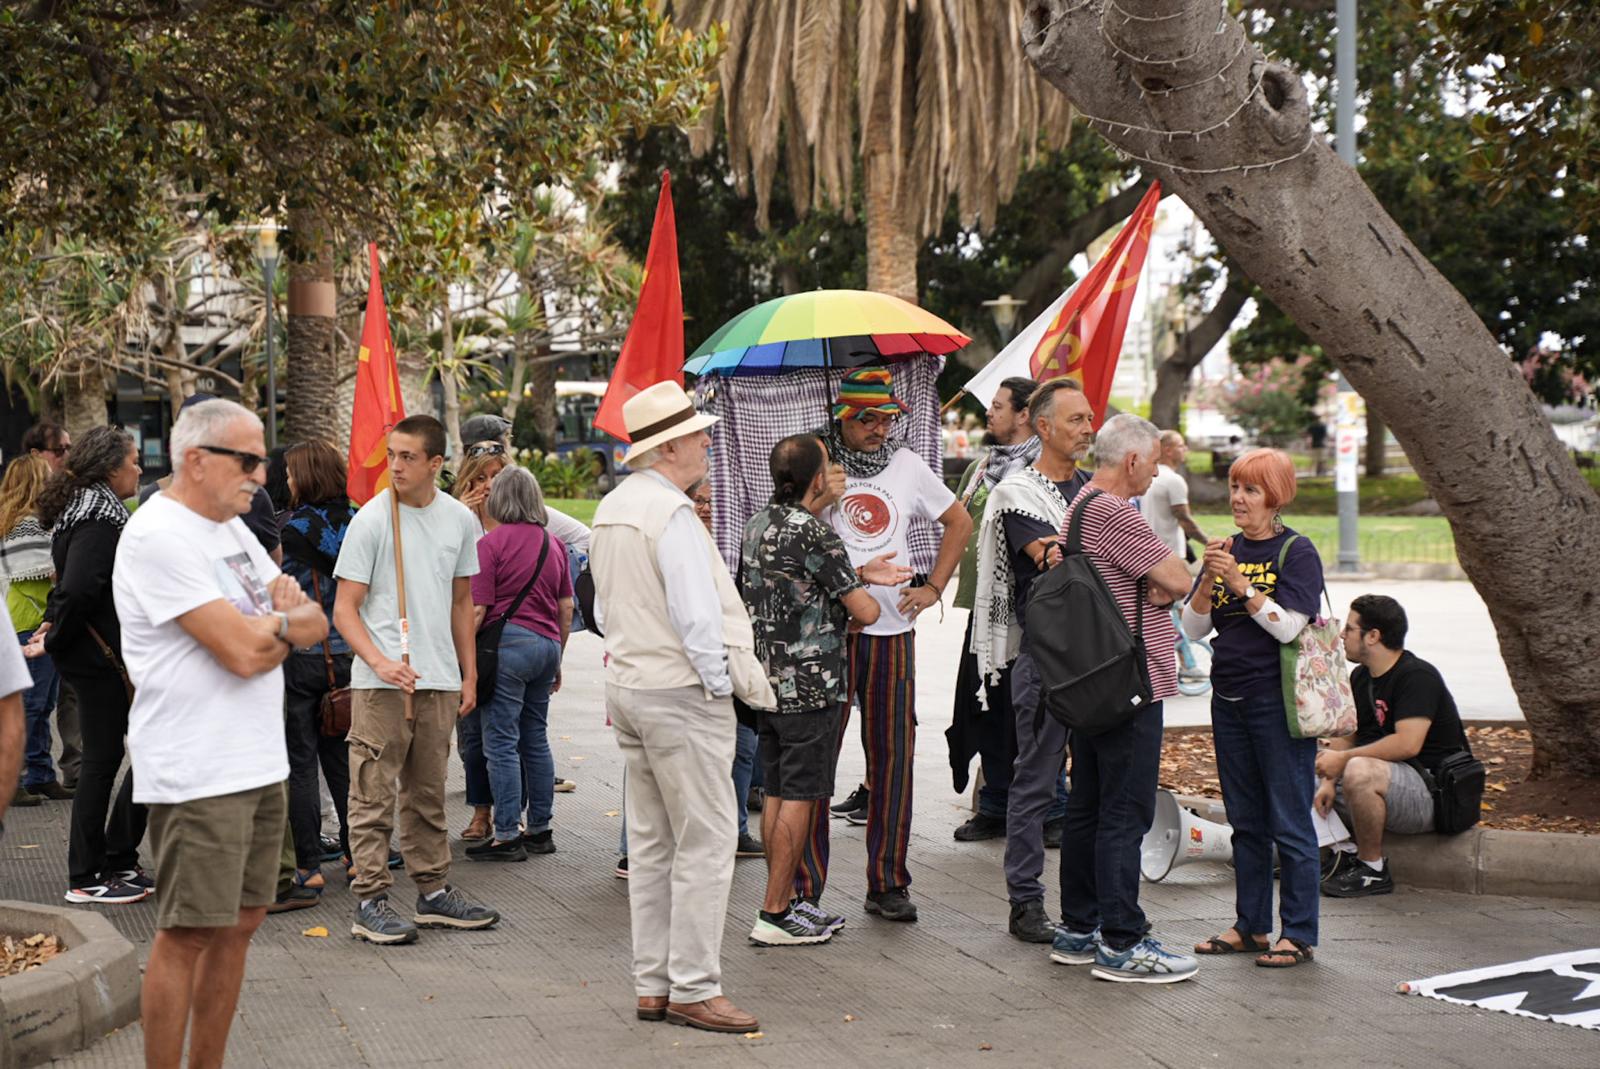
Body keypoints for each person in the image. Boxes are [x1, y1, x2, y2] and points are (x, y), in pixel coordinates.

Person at [112, 398, 326, 1069]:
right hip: (196, 768)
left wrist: (277, 630)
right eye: (249, 459)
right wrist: (278, 628)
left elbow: (318, 623)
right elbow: (240, 651)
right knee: (188, 932)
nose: (262, 475)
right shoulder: (158, 535)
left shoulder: (232, 530)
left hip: (257, 764)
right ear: (195, 459)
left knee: (243, 923)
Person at [590, 380, 774, 1034]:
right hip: (679, 690)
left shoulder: (615, 506)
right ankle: (694, 986)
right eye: (698, 433)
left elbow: (603, 609)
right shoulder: (669, 514)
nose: (706, 441)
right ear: (669, 446)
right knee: (706, 840)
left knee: (653, 842)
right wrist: (722, 689)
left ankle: (654, 983)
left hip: (634, 684)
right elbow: (699, 621)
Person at [334, 414, 500, 945]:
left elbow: (461, 602)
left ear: (436, 463)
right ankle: (370, 900)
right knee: (372, 795)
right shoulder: (373, 520)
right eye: (392, 455)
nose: (396, 466)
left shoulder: (458, 519)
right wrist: (380, 663)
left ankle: (432, 893)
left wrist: (468, 673)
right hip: (383, 683)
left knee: (428, 793)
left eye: (408, 457)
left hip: (439, 679)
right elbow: (344, 610)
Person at [816, 367, 971, 923]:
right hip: (829, 631)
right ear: (843, 418)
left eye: (888, 418)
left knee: (894, 757)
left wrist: (934, 586)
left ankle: (888, 882)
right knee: (817, 758)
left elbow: (958, 520)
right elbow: (785, 529)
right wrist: (819, 498)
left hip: (892, 632)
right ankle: (806, 887)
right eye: (868, 419)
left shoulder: (907, 464)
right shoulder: (816, 459)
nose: (880, 428)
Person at [740, 435, 908, 945]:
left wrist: (856, 572)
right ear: (816, 480)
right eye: (829, 467)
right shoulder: (815, 534)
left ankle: (785, 901)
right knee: (800, 796)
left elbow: (798, 584)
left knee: (774, 794)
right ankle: (774, 913)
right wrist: (866, 586)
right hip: (811, 687)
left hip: (766, 681)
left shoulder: (758, 523)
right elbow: (867, 612)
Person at [1047, 414, 1197, 983]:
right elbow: (1179, 580)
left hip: (1096, 681)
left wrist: (1153, 579)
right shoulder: (1115, 511)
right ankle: (1122, 942)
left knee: (1087, 806)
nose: (1158, 470)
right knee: (1123, 812)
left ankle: (1079, 929)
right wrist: (1161, 579)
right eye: (1154, 459)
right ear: (1132, 459)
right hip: (1131, 681)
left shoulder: (1082, 503)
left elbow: (1152, 578)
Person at [1181, 447, 1323, 969]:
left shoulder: (1296, 552)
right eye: (1236, 488)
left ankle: (1300, 932)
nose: (1238, 499)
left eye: (1252, 490)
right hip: (1229, 698)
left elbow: (1289, 626)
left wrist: (1241, 584)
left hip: (1278, 702)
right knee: (1246, 821)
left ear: (1276, 497)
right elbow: (1195, 630)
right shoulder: (1224, 548)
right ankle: (1252, 927)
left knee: (1290, 821)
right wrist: (1208, 583)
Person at [970, 380, 1093, 943]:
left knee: (1094, 787)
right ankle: (1026, 902)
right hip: (1045, 662)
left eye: (1090, 419)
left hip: (1102, 663)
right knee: (1036, 786)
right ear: (1043, 427)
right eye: (1075, 420)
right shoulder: (1019, 493)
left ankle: (1088, 907)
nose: (1088, 428)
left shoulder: (1094, 490)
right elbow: (1055, 561)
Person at [34, 426, 150, 904]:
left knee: (139, 754)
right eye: (134, 461)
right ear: (110, 468)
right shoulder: (99, 517)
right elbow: (80, 586)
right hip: (98, 658)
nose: (140, 469)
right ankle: (87, 875)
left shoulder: (89, 509)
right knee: (105, 761)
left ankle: (116, 857)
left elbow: (69, 585)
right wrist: (56, 632)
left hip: (96, 654)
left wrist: (51, 625)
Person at [1317, 594, 1471, 898]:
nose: (1341, 636)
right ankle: (1337, 853)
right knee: (1307, 759)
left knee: (1359, 769)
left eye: (1348, 629)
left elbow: (1407, 744)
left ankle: (1372, 869)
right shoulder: (1362, 676)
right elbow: (1349, 737)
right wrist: (1328, 777)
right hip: (1391, 783)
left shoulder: (1417, 676)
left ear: (1373, 636)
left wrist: (1344, 760)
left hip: (1431, 794)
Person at [948, 376, 1039, 842]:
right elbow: (959, 524)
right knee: (985, 705)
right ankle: (996, 804)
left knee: (1029, 710)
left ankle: (1047, 807)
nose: (990, 413)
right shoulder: (983, 468)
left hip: (1028, 612)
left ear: (1025, 414)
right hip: (983, 612)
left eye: (999, 406)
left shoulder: (1043, 470)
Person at [466, 466, 573, 862]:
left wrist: (461, 657)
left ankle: (507, 833)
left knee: (500, 741)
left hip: (507, 648)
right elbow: (566, 606)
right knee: (535, 737)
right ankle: (541, 829)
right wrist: (558, 656)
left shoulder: (489, 545)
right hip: (546, 646)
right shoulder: (554, 544)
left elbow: (479, 610)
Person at [278, 440, 357, 895]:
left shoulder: (291, 529)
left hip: (303, 657)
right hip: (350, 656)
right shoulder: (359, 524)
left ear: (305, 477)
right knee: (343, 762)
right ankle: (356, 854)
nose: (286, 480)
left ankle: (308, 866)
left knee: (302, 764)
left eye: (291, 473)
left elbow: (281, 592)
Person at [0, 456, 72, 807]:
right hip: (32, 619)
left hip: (23, 618)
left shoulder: (12, 522)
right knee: (33, 704)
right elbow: (50, 571)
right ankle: (18, 777)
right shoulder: (29, 526)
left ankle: (40, 774)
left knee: (39, 703)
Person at [452, 449, 511, 843]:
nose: (487, 485)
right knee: (472, 735)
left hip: (503, 641)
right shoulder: (457, 520)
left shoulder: (518, 521)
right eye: (480, 477)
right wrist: (456, 510)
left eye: (495, 476)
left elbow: (582, 538)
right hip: (461, 638)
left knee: (508, 733)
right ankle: (481, 812)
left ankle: (511, 812)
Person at [18, 422, 81, 790]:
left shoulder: (67, 494)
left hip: (56, 614)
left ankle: (56, 770)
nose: (67, 456)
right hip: (34, 617)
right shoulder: (24, 518)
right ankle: (30, 773)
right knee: (36, 701)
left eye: (70, 448)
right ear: (36, 455)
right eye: (61, 449)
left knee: (58, 697)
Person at [1141, 431, 1207, 559]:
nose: (1185, 449)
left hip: (1147, 552)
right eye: (1181, 445)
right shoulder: (1173, 480)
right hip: (1168, 554)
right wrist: (1208, 542)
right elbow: (1184, 520)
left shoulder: (1147, 476)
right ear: (1168, 451)